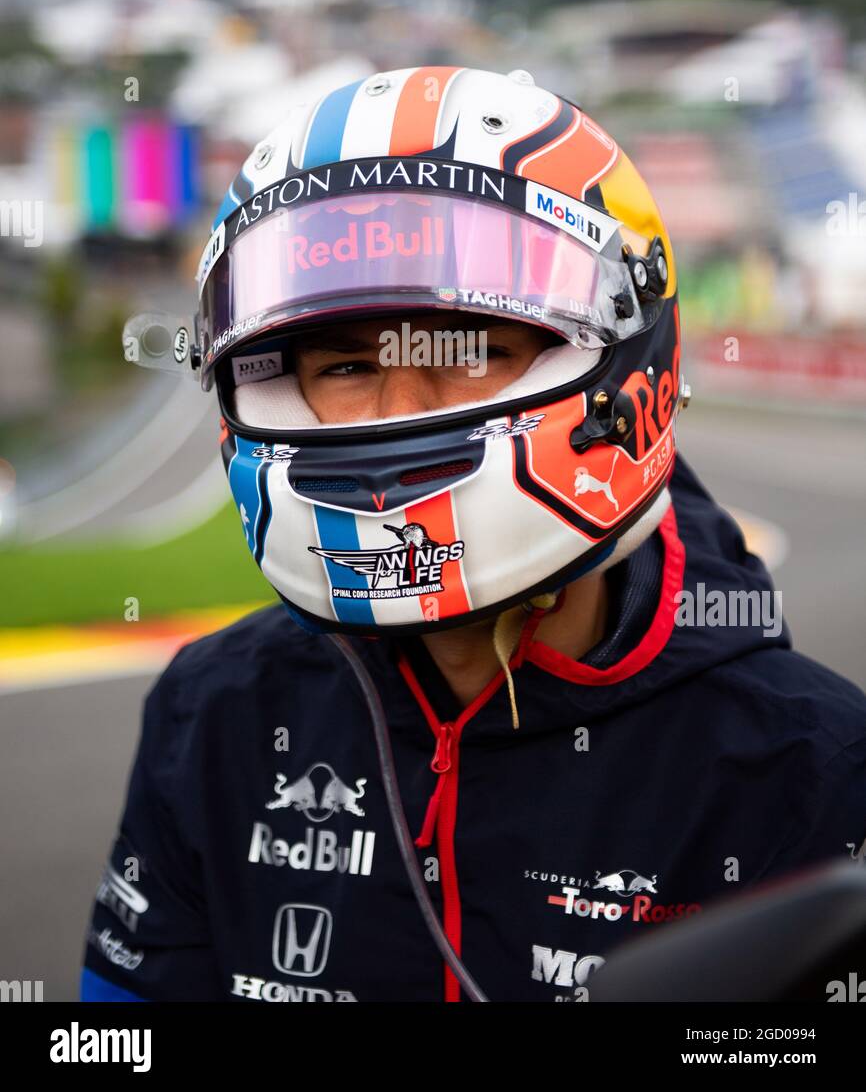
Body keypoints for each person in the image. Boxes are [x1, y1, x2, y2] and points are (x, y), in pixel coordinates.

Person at [80, 65, 866, 1003]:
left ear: (628, 366)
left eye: (475, 351)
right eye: (342, 365)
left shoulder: (812, 764)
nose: (396, 411)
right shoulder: (211, 715)